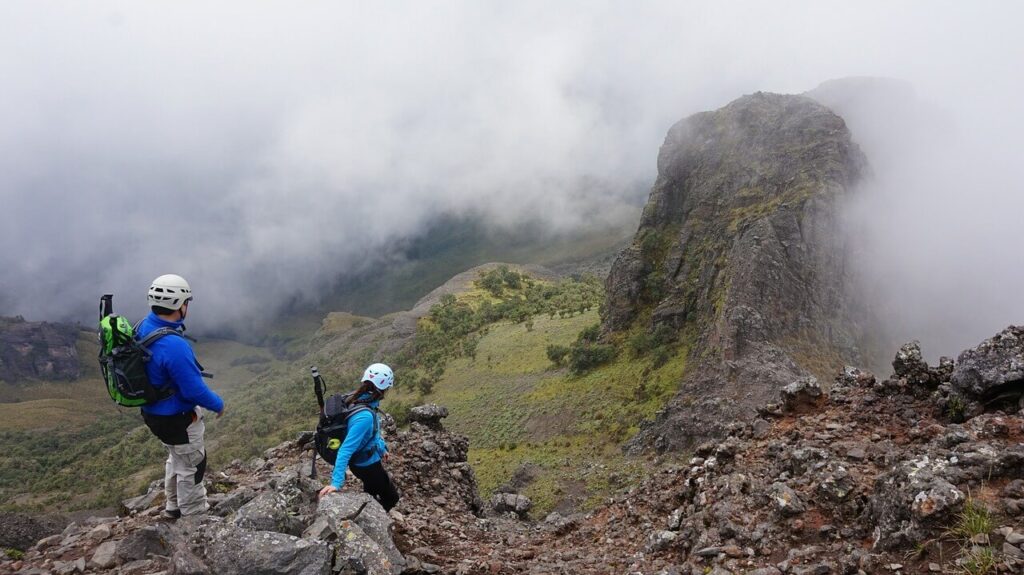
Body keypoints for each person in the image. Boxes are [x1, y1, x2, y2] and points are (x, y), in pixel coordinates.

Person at [138, 274, 224, 518]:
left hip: (153, 414)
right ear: (180, 304)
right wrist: (218, 404)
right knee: (192, 465)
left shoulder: (144, 327)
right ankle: (193, 515)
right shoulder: (173, 345)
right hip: (178, 417)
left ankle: (173, 506)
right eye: (187, 301)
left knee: (176, 458)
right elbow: (194, 390)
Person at [318, 363, 400, 511]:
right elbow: (346, 449)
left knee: (371, 489)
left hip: (362, 462)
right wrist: (336, 483)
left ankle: (369, 508)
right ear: (384, 388)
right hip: (367, 465)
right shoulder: (365, 416)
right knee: (392, 498)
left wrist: (381, 449)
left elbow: (372, 433)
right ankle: (377, 518)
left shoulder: (356, 399)